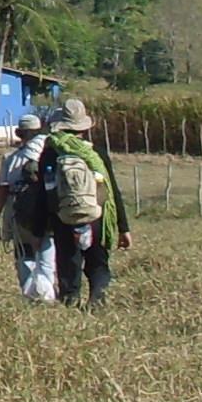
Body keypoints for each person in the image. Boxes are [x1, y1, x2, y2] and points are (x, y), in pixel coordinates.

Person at [43, 97, 130, 306]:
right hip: (96, 217)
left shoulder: (50, 152)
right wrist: (123, 227)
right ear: (84, 127)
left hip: (63, 217)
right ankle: (97, 300)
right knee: (98, 263)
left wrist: (42, 226)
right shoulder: (96, 153)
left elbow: (45, 192)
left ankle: (70, 303)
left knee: (67, 264)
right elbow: (112, 191)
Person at [0, 112, 55, 302]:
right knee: (47, 256)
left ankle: (31, 296)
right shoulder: (51, 152)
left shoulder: (12, 159)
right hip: (50, 215)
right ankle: (48, 296)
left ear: (20, 133)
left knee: (25, 256)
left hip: (21, 216)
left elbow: (2, 191)